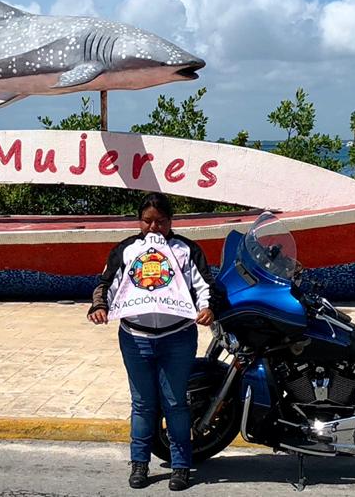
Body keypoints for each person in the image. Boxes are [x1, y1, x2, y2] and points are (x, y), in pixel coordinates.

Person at [88, 193, 218, 492]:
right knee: (143, 404)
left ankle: (181, 466)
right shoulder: (126, 249)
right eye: (147, 221)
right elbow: (106, 284)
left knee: (175, 404)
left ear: (171, 221)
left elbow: (205, 286)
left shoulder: (186, 250)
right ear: (139, 222)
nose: (153, 228)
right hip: (136, 338)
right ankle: (139, 463)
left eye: (160, 222)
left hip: (178, 337)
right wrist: (99, 307)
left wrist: (208, 308)